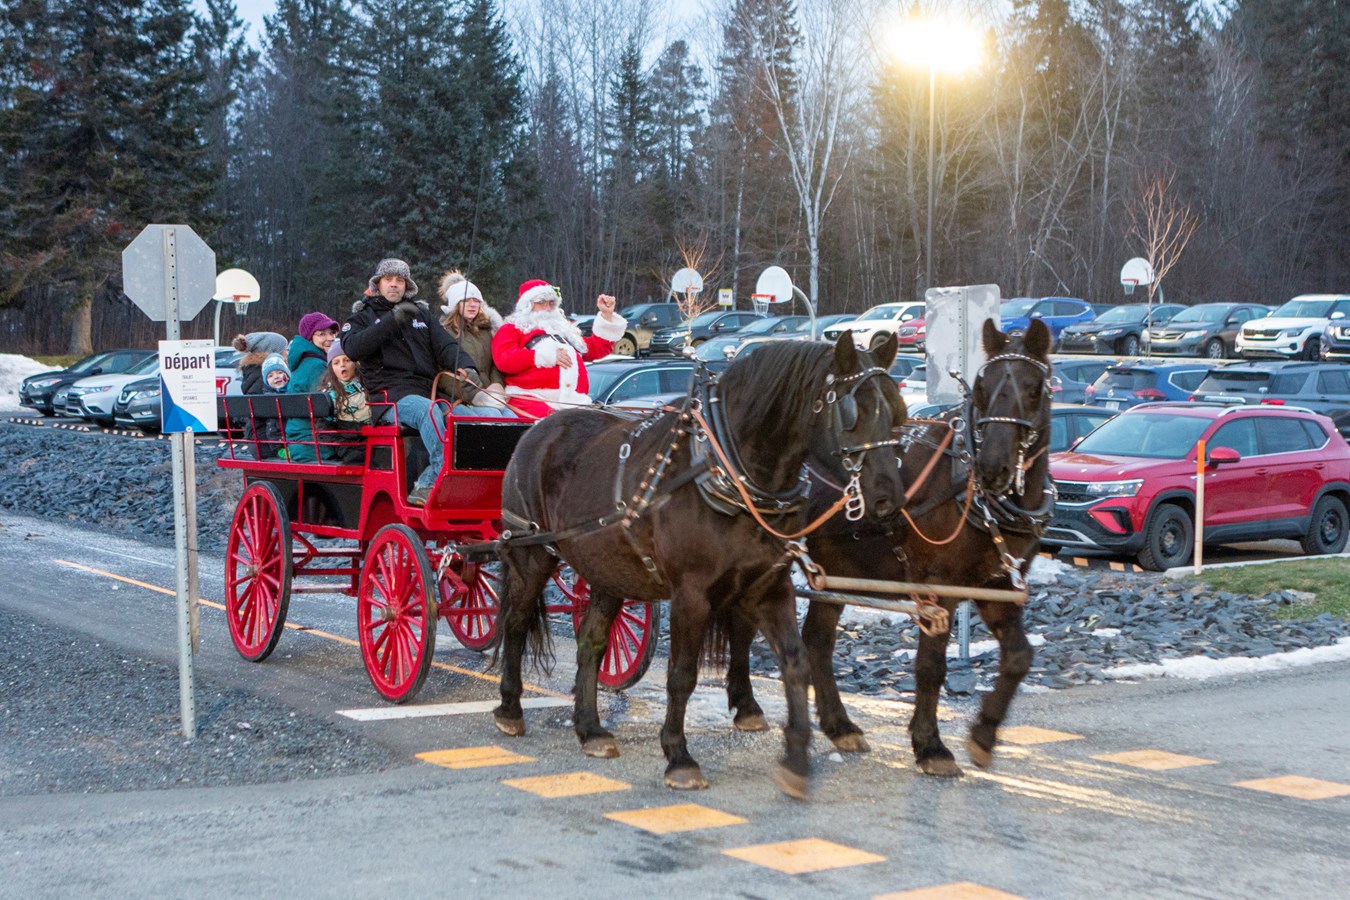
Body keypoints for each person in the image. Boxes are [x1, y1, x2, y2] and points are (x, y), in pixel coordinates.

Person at [341, 257, 480, 506]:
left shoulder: (422, 315)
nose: (394, 285)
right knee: (427, 411)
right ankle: (430, 482)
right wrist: (392, 320)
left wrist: (466, 365)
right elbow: (353, 348)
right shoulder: (362, 317)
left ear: (407, 286)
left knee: (471, 416)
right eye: (388, 280)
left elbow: (446, 346)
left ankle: (472, 484)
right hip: (388, 398)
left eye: (400, 280)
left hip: (427, 393)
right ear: (378, 284)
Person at [491, 280, 626, 419]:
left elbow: (593, 349)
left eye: (551, 303)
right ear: (527, 305)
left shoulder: (563, 331)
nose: (547, 308)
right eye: (541, 302)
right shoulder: (511, 329)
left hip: (572, 403)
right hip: (531, 400)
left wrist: (606, 316)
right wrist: (545, 356)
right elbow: (504, 360)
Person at [438, 271, 511, 413]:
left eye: (476, 301)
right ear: (455, 304)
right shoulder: (444, 332)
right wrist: (472, 395)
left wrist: (497, 384)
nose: (472, 305)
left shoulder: (486, 331)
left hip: (491, 396)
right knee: (492, 416)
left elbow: (495, 364)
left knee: (514, 420)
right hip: (458, 400)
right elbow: (442, 373)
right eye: (466, 300)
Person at [284, 311, 341, 462]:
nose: (330, 338)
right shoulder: (316, 366)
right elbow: (327, 408)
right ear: (310, 338)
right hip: (312, 442)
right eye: (321, 334)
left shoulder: (307, 361)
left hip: (302, 438)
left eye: (331, 333)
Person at [315, 338, 370, 464]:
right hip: (348, 444)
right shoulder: (328, 395)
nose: (342, 365)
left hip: (372, 437)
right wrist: (344, 450)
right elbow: (324, 430)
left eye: (347, 360)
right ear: (331, 367)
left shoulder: (369, 385)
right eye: (336, 362)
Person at [257, 354, 290, 459]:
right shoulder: (267, 398)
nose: (276, 377)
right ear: (266, 382)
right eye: (270, 375)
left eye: (280, 372)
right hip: (279, 443)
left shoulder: (294, 391)